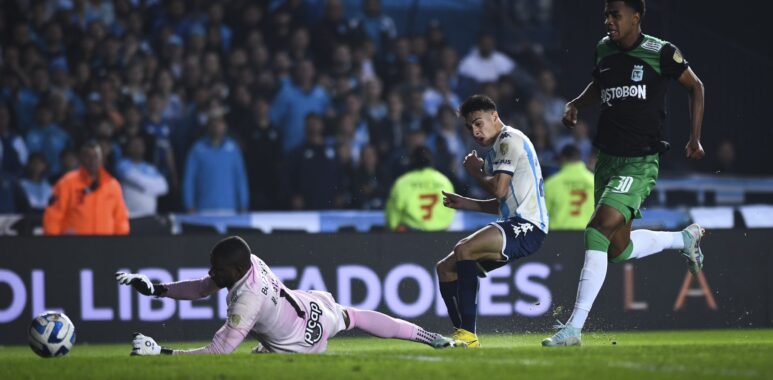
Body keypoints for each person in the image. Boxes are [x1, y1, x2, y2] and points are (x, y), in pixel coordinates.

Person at [542, 0, 706, 347]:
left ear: (636, 16)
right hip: (607, 161)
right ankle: (683, 240)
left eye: (615, 14)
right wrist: (575, 104)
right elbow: (600, 87)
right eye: (605, 15)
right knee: (618, 249)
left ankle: (573, 328)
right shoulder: (603, 50)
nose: (608, 21)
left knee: (597, 228)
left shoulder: (661, 52)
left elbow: (696, 87)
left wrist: (694, 137)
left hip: (639, 161)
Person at [116, 236, 462, 355]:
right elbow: (206, 286)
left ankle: (270, 348)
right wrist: (158, 288)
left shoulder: (245, 302)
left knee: (258, 357)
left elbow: (218, 351)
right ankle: (430, 337)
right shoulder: (249, 261)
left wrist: (162, 352)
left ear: (234, 272)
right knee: (351, 316)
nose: (212, 273)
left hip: (301, 343)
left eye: (217, 268)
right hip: (311, 308)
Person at [436, 95, 549, 347]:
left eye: (479, 123)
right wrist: (465, 202)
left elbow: (498, 190)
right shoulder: (497, 150)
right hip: (514, 223)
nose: (475, 131)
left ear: (495, 116)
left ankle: (468, 333)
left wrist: (476, 172)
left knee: (464, 249)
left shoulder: (509, 140)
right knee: (445, 268)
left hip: (528, 226)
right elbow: (503, 202)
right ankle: (461, 336)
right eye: (469, 127)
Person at [43, 140, 129, 235]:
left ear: (102, 159)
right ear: (81, 159)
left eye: (95, 156)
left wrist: (121, 243)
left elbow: (120, 218)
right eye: (88, 157)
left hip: (105, 245)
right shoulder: (67, 183)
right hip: (73, 246)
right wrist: (52, 241)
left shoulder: (112, 185)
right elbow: (53, 215)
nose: (92, 160)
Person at [182, 117, 248, 214]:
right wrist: (189, 204)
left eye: (220, 122)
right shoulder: (197, 149)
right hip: (203, 209)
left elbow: (240, 178)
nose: (216, 126)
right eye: (213, 122)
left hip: (230, 209)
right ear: (208, 126)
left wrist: (243, 204)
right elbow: (189, 178)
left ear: (225, 126)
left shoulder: (233, 149)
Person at [385, 145, 455, 231]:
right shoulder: (444, 181)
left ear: (412, 160)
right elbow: (451, 210)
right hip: (440, 234)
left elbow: (392, 216)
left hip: (411, 236)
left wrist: (394, 228)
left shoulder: (403, 182)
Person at [116, 135, 169, 218]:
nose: (137, 148)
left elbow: (164, 187)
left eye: (140, 145)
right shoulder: (122, 165)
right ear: (128, 148)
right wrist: (152, 185)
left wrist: (145, 186)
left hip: (149, 215)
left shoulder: (150, 168)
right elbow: (137, 181)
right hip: (130, 215)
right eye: (134, 145)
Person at [544, 145, 594, 231]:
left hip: (558, 237)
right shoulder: (594, 182)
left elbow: (541, 215)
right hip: (587, 236)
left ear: (562, 159)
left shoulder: (551, 184)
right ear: (580, 158)